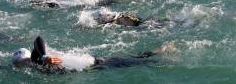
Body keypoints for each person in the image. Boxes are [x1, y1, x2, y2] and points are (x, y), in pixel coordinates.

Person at [12, 36, 174, 72]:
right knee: (133, 59)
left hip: (96, 64)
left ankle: (164, 57)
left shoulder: (36, 59)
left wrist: (44, 57)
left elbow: (38, 40)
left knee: (132, 62)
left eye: (22, 62)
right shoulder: (32, 67)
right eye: (19, 64)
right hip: (91, 66)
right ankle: (158, 51)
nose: (23, 65)